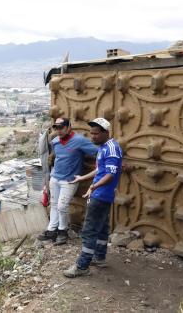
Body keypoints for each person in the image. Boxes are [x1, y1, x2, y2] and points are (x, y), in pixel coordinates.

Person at [64, 118, 123, 278]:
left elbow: (110, 174)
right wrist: (82, 179)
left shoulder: (111, 149)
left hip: (100, 195)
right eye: (91, 133)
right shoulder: (104, 147)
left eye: (96, 134)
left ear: (106, 133)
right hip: (101, 194)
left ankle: (82, 265)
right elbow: (99, 170)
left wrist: (93, 187)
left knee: (89, 230)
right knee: (102, 227)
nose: (92, 137)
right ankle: (99, 257)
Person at [37, 118, 98, 245]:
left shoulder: (79, 140)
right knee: (54, 205)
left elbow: (98, 152)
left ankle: (63, 231)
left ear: (69, 127)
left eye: (61, 127)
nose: (59, 130)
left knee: (62, 206)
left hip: (69, 180)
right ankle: (51, 230)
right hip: (55, 178)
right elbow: (57, 157)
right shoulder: (55, 141)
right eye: (56, 128)